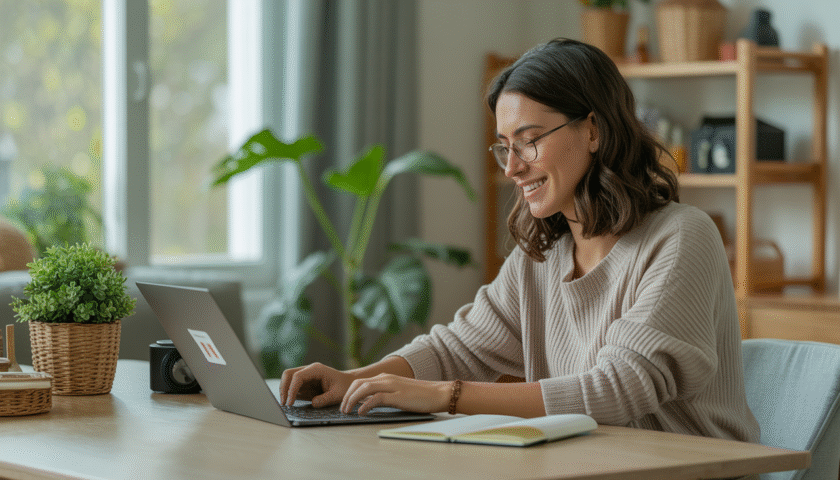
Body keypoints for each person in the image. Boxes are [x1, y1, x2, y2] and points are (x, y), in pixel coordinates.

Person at [280, 38, 760, 443]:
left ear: (593, 129)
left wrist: (445, 396)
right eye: (504, 147)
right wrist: (354, 380)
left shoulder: (681, 238)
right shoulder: (544, 256)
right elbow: (458, 348)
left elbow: (616, 391)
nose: (511, 168)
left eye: (528, 141)